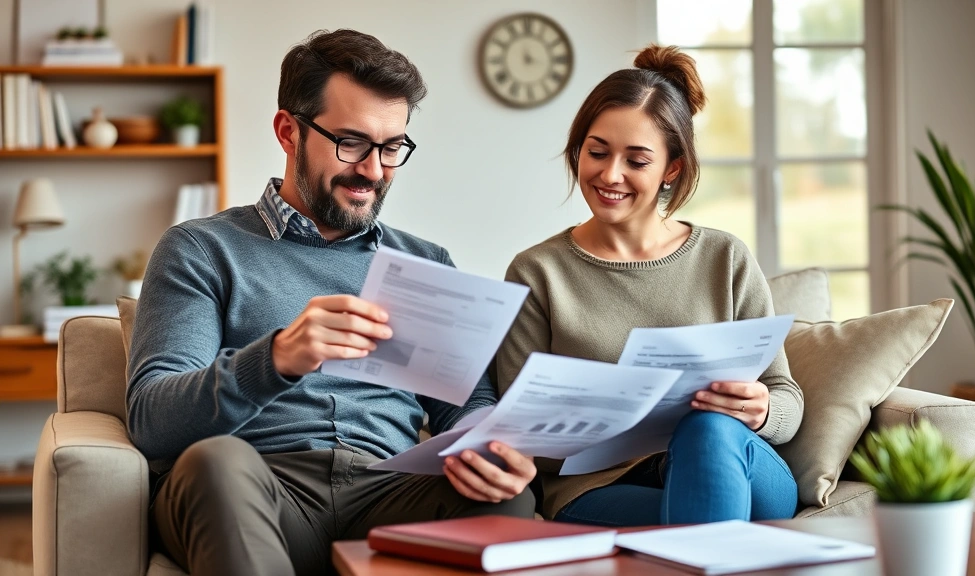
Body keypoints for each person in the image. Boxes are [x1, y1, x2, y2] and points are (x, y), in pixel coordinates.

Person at [126, 29, 536, 576]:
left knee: (507, 501)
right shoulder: (201, 249)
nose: (373, 170)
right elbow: (153, 420)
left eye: (392, 148)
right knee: (215, 463)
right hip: (257, 489)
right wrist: (274, 359)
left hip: (388, 493)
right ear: (288, 131)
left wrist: (490, 445)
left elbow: (464, 402)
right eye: (351, 143)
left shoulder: (425, 262)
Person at [495, 45, 802, 528]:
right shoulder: (538, 272)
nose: (609, 174)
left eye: (636, 161)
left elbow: (785, 395)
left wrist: (761, 410)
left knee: (705, 429)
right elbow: (519, 430)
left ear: (671, 169)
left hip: (736, 469)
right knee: (696, 516)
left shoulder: (725, 259)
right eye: (596, 152)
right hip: (598, 490)